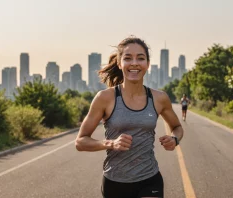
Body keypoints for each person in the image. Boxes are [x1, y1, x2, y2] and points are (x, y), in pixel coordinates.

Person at [75, 36, 184, 198]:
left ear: (147, 64)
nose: (134, 63)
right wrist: (110, 143)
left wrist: (174, 139)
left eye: (140, 58)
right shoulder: (105, 98)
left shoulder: (159, 98)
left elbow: (177, 127)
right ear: (120, 64)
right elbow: (80, 141)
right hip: (115, 182)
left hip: (150, 179)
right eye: (127, 58)